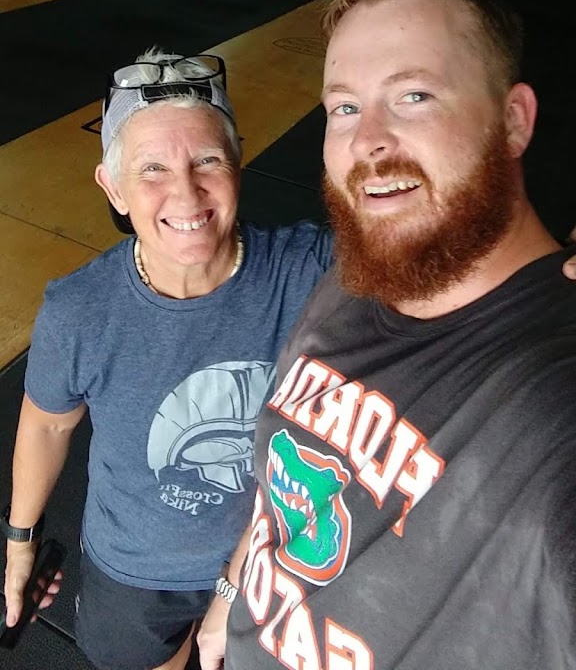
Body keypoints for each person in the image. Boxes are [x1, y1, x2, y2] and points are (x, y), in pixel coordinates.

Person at [210, 0, 576, 670]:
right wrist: (234, 591)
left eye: (413, 95)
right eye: (344, 107)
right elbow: (285, 479)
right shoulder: (360, 274)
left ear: (514, 120)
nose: (366, 141)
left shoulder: (550, 396)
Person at [2, 49, 333, 670]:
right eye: (151, 168)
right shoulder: (79, 309)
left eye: (207, 160)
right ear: (113, 188)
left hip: (276, 554)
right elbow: (47, 425)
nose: (185, 192)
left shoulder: (314, 271)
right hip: (133, 566)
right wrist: (20, 542)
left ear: (237, 164)